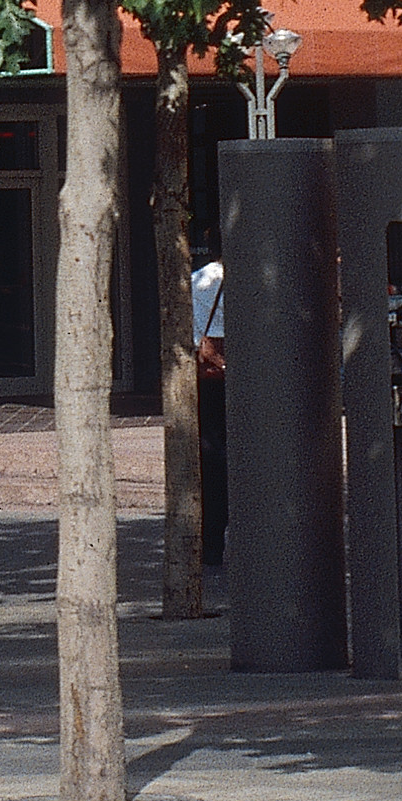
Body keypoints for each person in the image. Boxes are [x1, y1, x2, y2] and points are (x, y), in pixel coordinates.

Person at [190, 236, 226, 566]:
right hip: (234, 377)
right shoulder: (240, 281)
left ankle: (211, 541)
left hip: (206, 378)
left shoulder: (196, 281)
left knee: (210, 455)